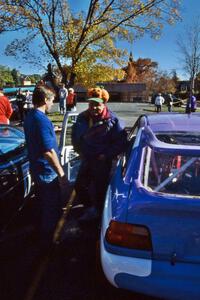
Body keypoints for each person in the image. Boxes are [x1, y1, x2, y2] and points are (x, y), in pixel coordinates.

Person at [72, 87, 128, 221]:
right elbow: (75, 135)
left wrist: (106, 155)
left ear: (104, 104)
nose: (94, 107)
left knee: (100, 189)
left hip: (101, 161)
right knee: (79, 185)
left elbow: (121, 142)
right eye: (91, 104)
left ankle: (99, 215)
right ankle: (89, 208)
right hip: (86, 158)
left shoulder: (113, 120)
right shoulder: (82, 117)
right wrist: (79, 149)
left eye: (97, 104)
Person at [23, 85, 68, 244]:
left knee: (41, 203)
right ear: (44, 100)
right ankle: (50, 241)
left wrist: (52, 130)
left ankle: (41, 233)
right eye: (51, 100)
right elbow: (48, 151)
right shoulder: (41, 120)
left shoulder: (30, 117)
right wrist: (61, 174)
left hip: (36, 168)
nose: (52, 104)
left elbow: (38, 138)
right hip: (47, 171)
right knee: (51, 207)